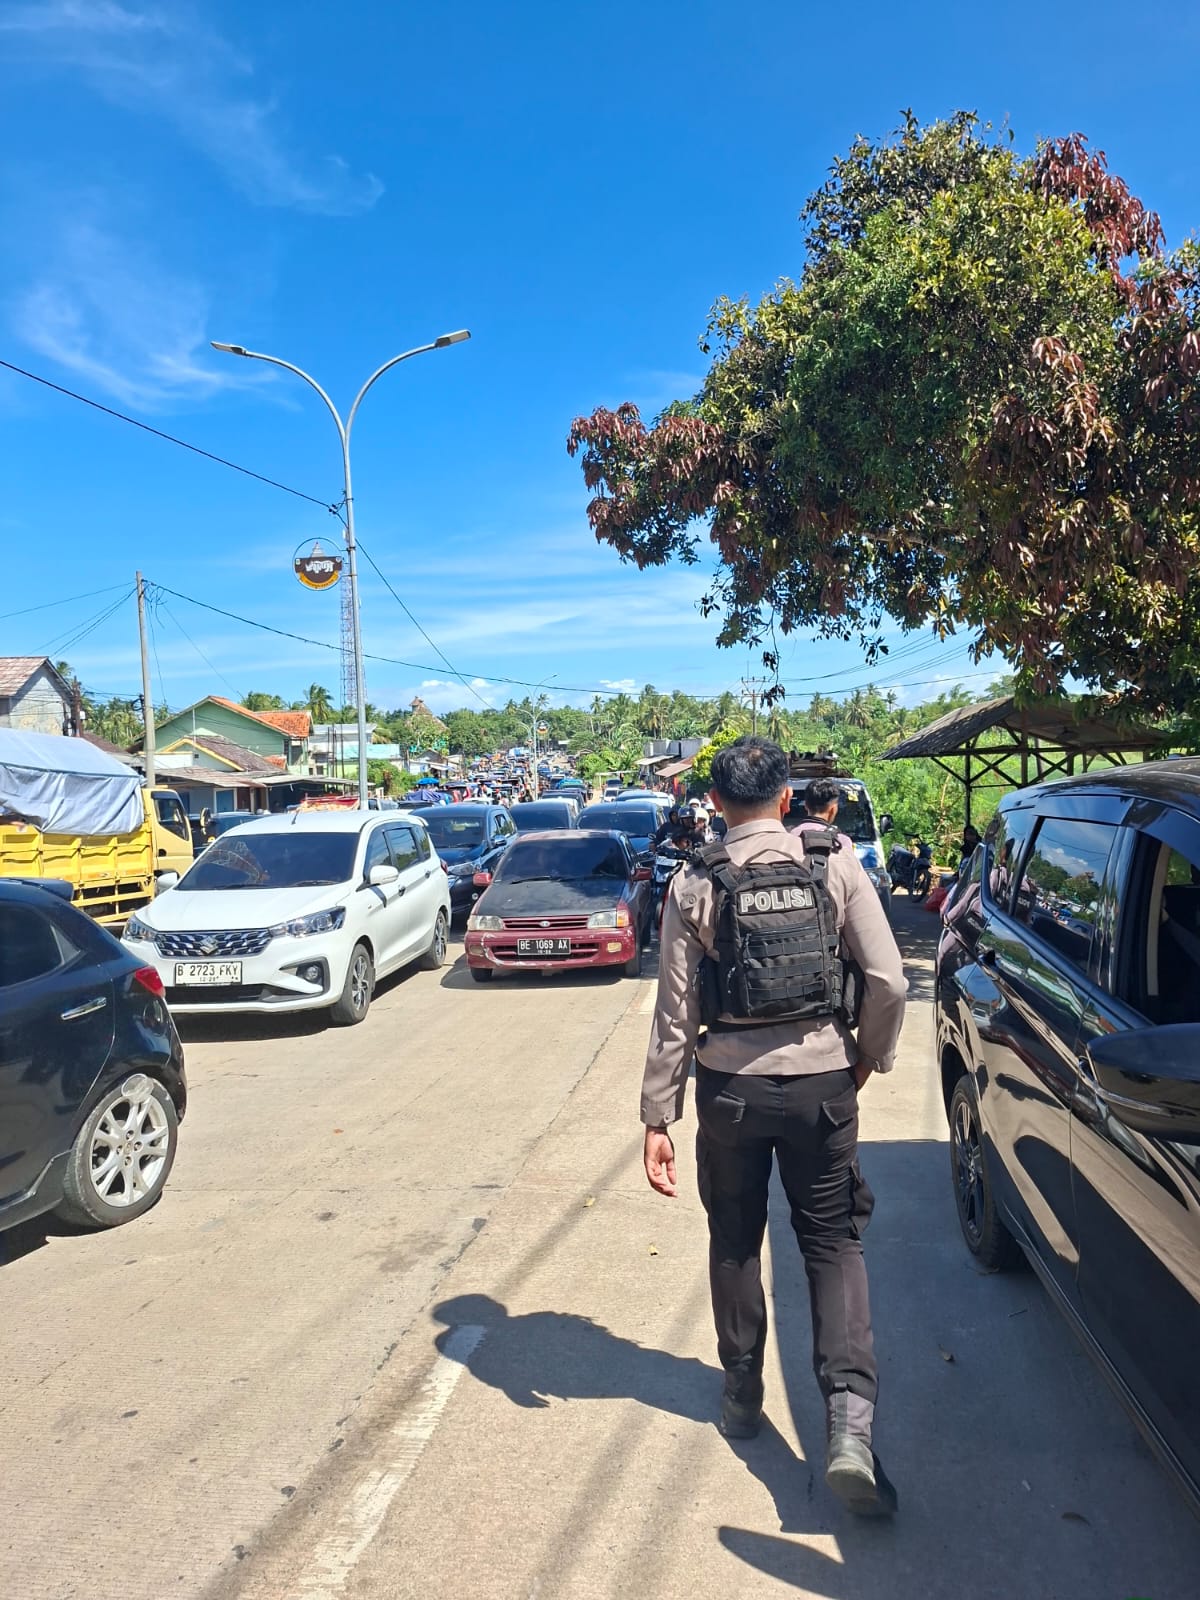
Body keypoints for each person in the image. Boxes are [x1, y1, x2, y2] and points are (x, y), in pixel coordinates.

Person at [641, 735, 907, 1516]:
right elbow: (889, 980)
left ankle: (740, 1393)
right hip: (824, 1085)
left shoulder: (695, 881)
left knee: (734, 1237)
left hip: (730, 1093)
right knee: (832, 1242)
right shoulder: (833, 861)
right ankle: (850, 1427)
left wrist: (659, 1116)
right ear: (786, 798)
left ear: (714, 804)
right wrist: (866, 1058)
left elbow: (674, 1014)